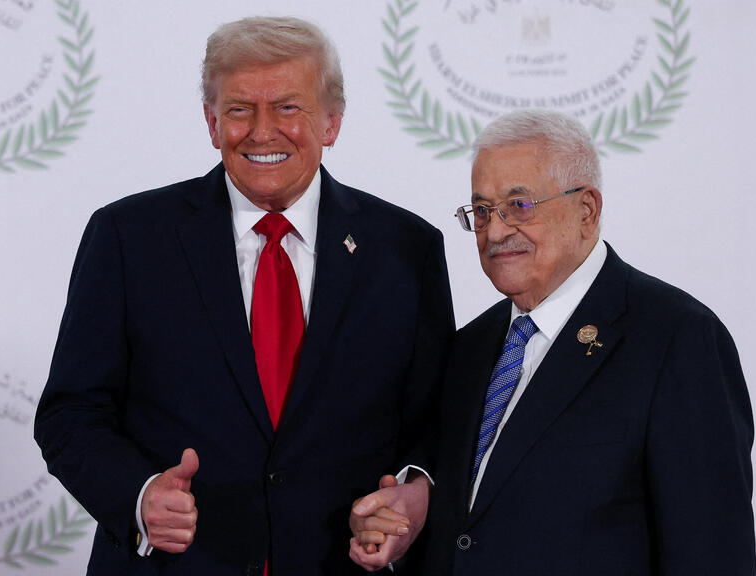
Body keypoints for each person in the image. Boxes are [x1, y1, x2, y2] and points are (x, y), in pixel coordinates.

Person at [34, 15, 454, 576]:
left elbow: (436, 424)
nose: (261, 131)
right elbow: (70, 413)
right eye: (238, 110)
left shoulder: (407, 248)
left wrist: (414, 491)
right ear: (212, 123)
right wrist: (138, 496)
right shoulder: (128, 237)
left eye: (287, 107)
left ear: (331, 121)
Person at [350, 109, 755, 575]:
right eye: (482, 211)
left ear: (587, 211)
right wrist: (413, 504)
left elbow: (711, 552)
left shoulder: (678, 339)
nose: (495, 231)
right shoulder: (469, 348)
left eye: (519, 205)